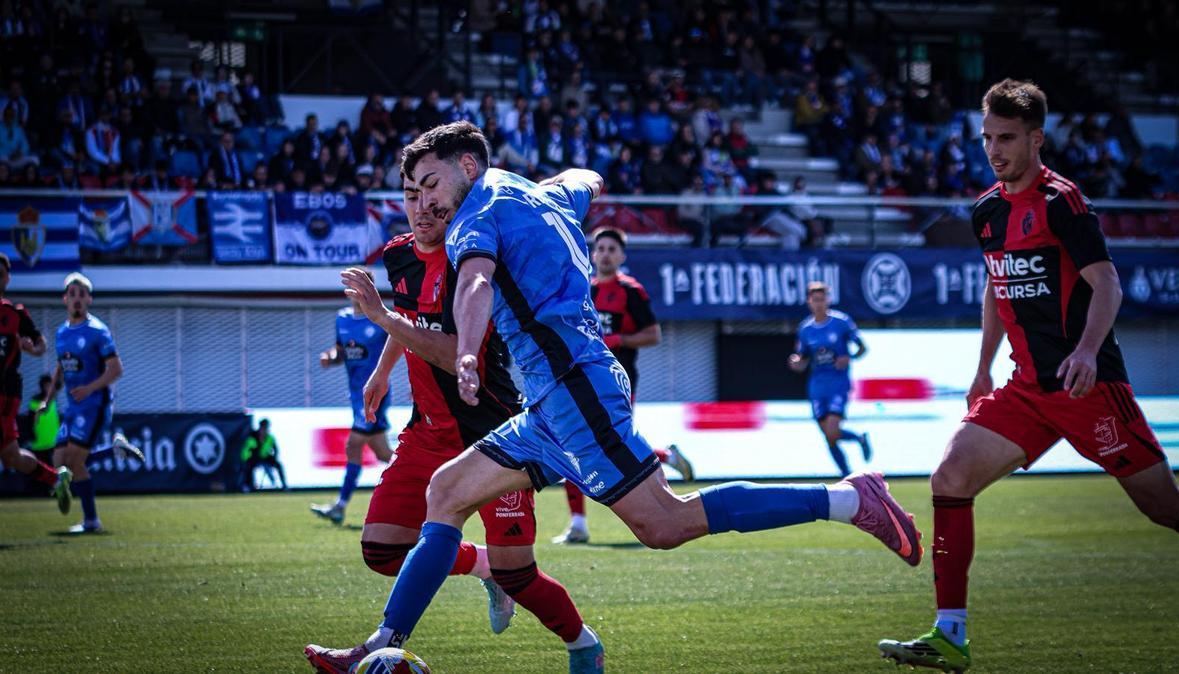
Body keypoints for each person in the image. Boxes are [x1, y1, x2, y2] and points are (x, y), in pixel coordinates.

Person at [306, 122, 922, 671]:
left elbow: (475, 284)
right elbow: (583, 179)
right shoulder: (540, 193)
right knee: (446, 490)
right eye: (414, 189)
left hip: (574, 389)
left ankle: (847, 500)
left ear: (468, 166)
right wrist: (584, 179)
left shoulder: (475, 219)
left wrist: (466, 351)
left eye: (430, 183)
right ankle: (379, 644)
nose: (426, 200)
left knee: (665, 523)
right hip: (551, 401)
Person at [878, 79, 1179, 672]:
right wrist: (980, 370)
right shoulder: (986, 211)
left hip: (1089, 386)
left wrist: (1084, 350)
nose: (994, 150)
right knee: (950, 476)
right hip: (1026, 390)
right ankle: (950, 634)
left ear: (1035, 138)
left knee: (1165, 507)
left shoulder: (1064, 203)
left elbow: (1107, 283)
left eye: (1006, 138)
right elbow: (996, 289)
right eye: (986, 138)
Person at [305, 172, 598, 673]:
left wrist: (377, 316)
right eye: (410, 195)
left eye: (431, 196)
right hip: (427, 428)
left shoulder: (474, 258)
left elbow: (454, 353)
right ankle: (470, 573)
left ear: (455, 198)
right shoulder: (398, 254)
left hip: (491, 433)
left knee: (519, 575)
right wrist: (381, 371)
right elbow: (412, 316)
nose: (421, 207)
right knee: (381, 546)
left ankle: (583, 645)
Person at [554, 227, 695, 545]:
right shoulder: (582, 290)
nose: (604, 253)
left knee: (616, 445)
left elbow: (653, 335)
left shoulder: (631, 291)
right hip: (580, 380)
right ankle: (578, 523)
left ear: (621, 256)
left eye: (611, 249)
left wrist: (620, 339)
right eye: (600, 248)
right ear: (592, 254)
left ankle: (665, 461)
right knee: (573, 446)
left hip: (618, 381)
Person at [43, 272, 142, 533]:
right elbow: (61, 367)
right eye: (72, 294)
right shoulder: (62, 333)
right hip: (73, 407)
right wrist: (48, 398)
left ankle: (91, 521)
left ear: (89, 299)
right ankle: (114, 453)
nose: (77, 299)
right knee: (59, 461)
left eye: (81, 294)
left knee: (74, 463)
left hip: (95, 405)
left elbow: (116, 369)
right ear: (65, 299)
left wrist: (89, 388)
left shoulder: (98, 331)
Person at [309, 294, 394, 525]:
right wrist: (330, 357)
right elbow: (341, 351)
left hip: (375, 393)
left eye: (360, 286)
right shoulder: (342, 319)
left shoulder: (380, 318)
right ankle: (427, 479)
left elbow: (402, 344)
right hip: (356, 395)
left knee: (353, 444)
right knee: (382, 452)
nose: (355, 292)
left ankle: (339, 506)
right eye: (352, 286)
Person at [786, 282, 872, 478]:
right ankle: (847, 475)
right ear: (809, 302)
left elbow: (862, 347)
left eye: (822, 299)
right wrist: (796, 362)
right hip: (817, 387)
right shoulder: (805, 329)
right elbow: (802, 357)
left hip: (838, 385)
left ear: (828, 300)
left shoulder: (841, 323)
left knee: (833, 431)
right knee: (829, 437)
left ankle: (851, 466)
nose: (819, 304)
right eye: (815, 300)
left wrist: (850, 357)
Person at [0, 254, 59, 496]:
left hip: (6, 392)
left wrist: (31, 348)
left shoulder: (15, 314)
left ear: (8, 278)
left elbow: (42, 344)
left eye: (0, 274)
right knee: (11, 456)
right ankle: (56, 479)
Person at [240, 418, 287, 491]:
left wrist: (274, 457)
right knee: (248, 467)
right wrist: (246, 459)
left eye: (266, 428)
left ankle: (284, 485)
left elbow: (275, 449)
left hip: (266, 458)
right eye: (263, 427)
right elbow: (246, 450)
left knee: (278, 465)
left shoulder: (270, 437)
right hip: (254, 458)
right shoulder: (252, 437)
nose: (265, 430)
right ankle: (249, 486)